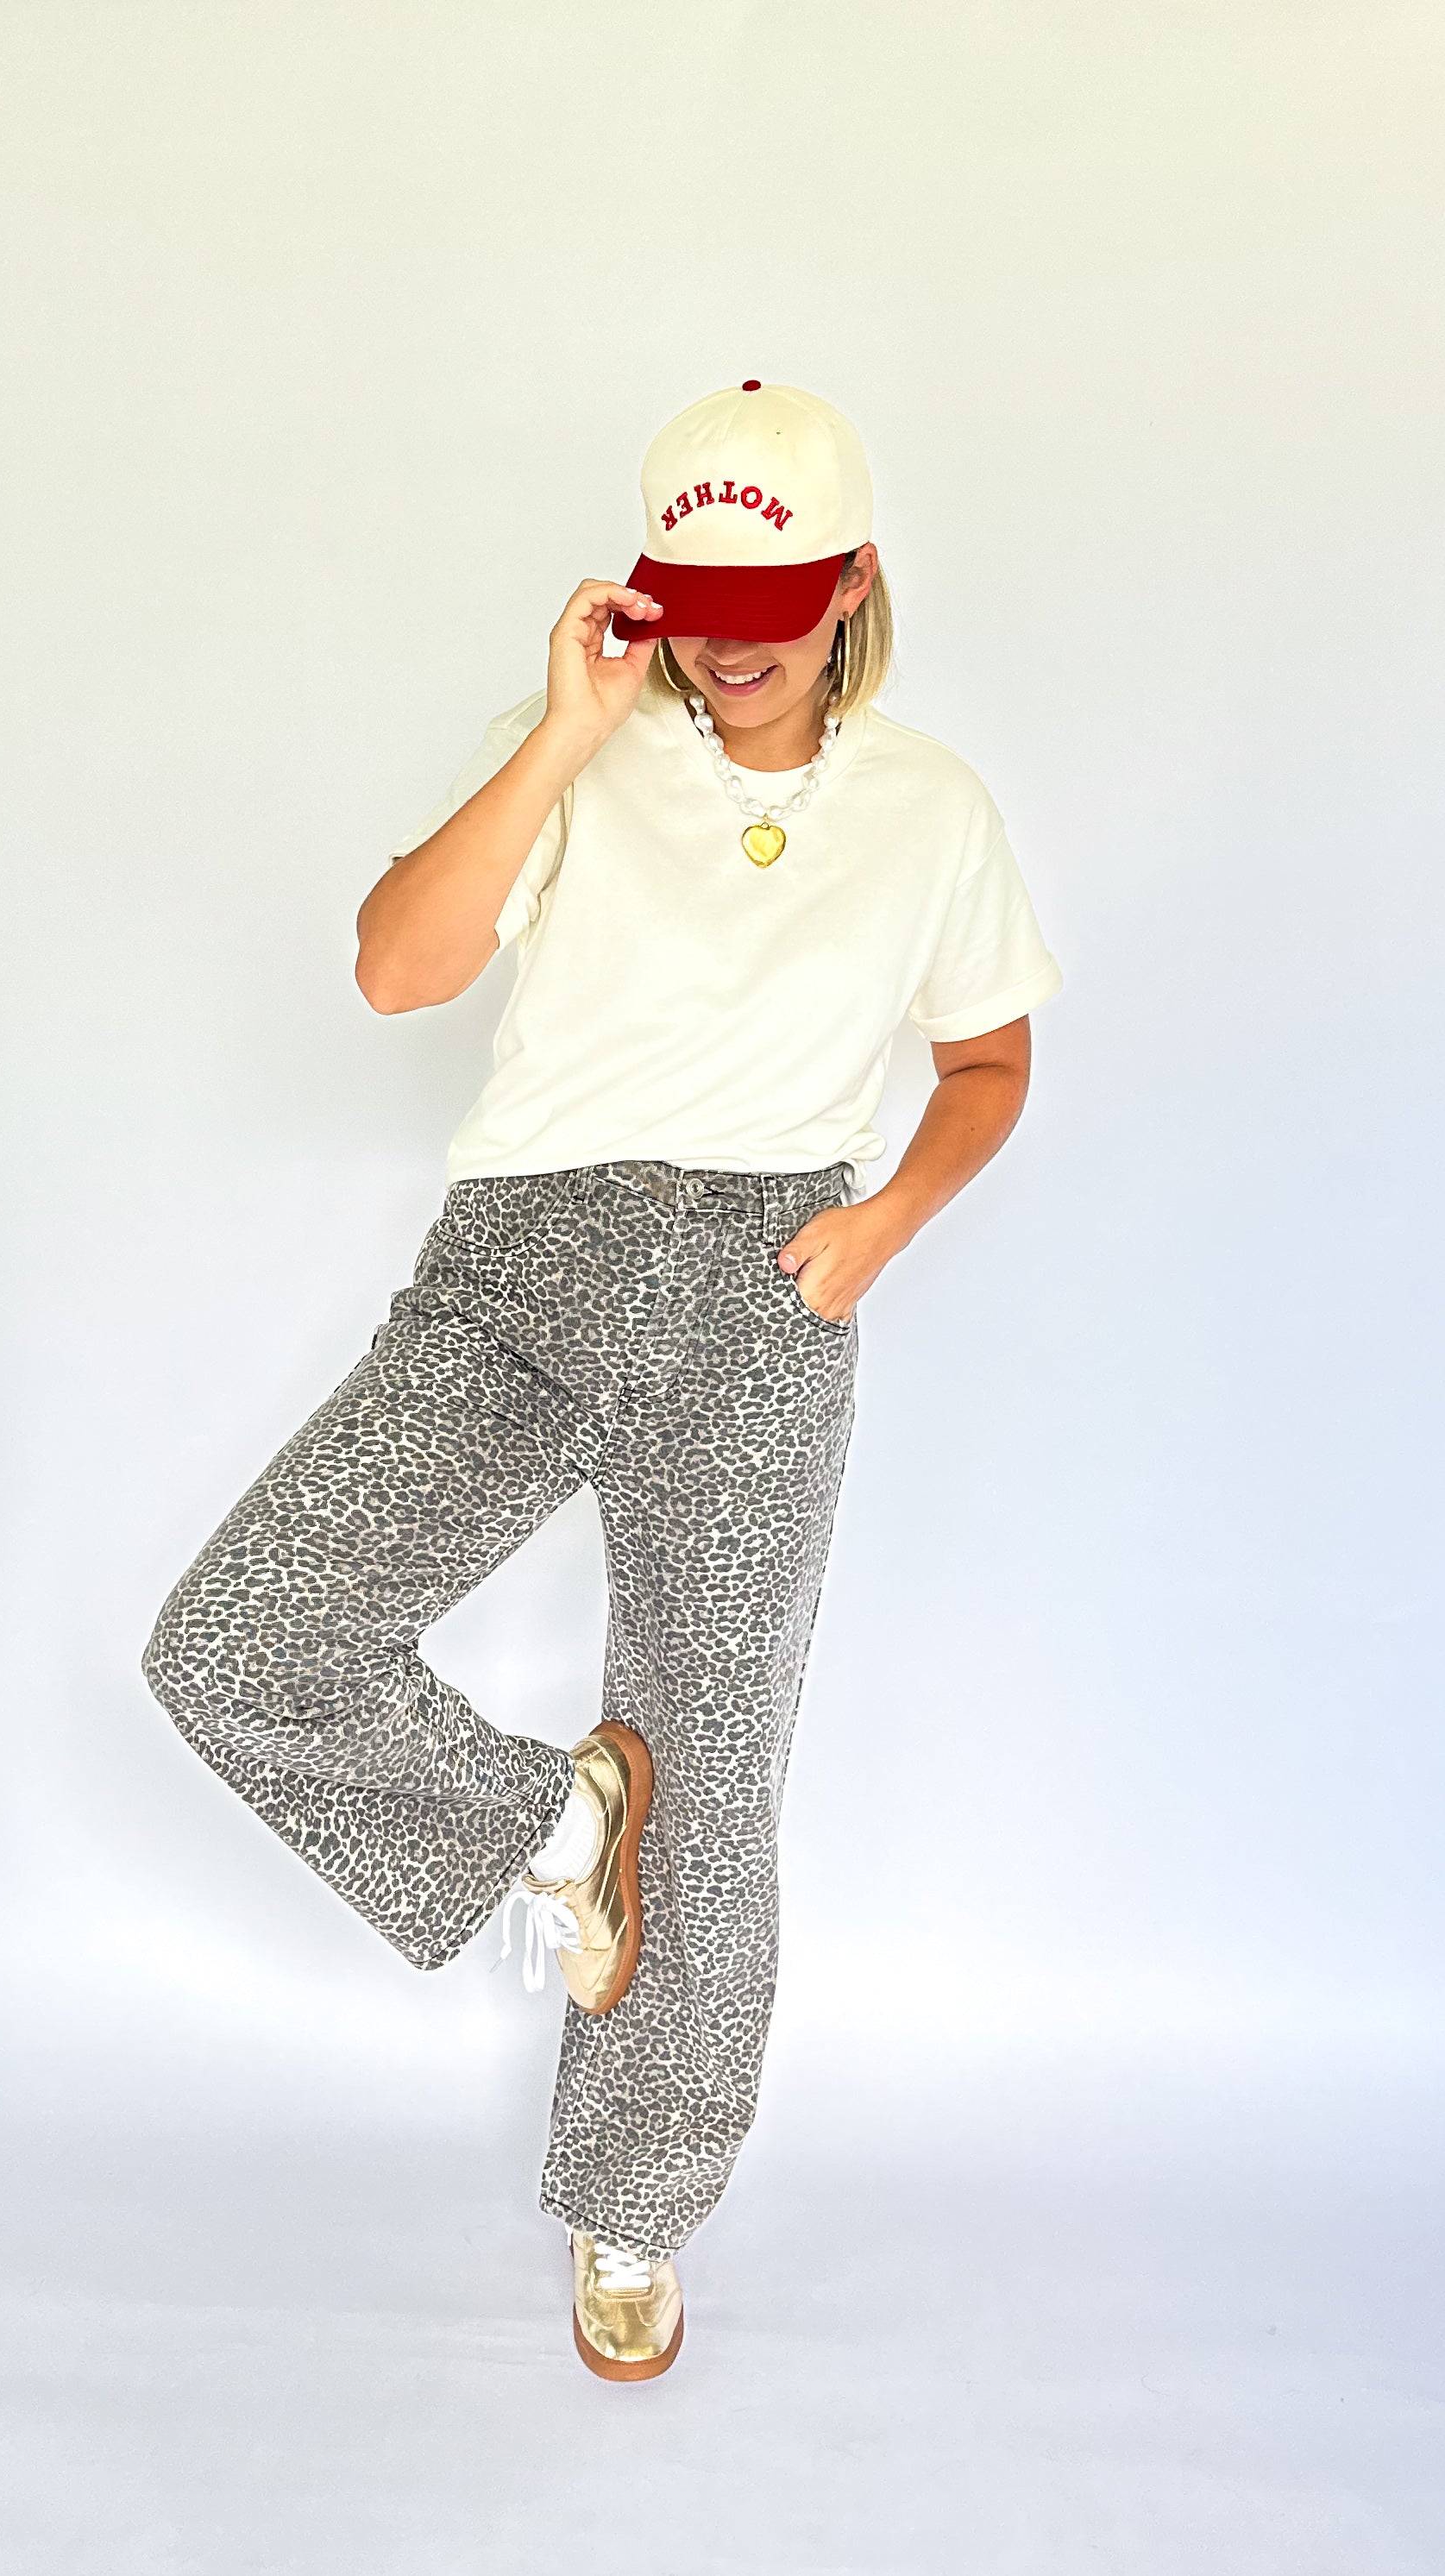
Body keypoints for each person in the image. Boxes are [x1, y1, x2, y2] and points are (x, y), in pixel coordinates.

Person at [142, 380, 1063, 2382]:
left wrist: (884, 1222)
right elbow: (396, 968)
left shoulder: (932, 807)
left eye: (774, 604)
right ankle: (556, 1824)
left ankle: (637, 2204)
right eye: (696, 602)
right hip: (528, 1264)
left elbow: (990, 1059)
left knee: (713, 1779)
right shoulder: (569, 747)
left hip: (767, 1289)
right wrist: (565, 726)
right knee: (238, 1641)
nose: (731, 643)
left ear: (853, 585)